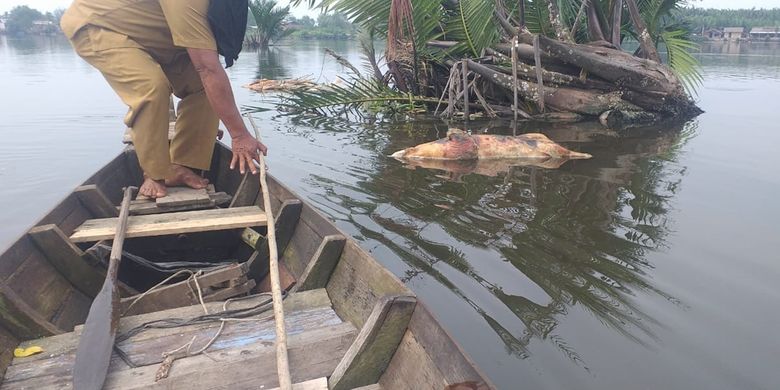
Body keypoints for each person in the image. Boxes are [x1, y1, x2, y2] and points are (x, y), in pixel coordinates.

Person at [60, 0, 266, 198]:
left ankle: (180, 165)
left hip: (156, 37)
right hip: (99, 24)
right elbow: (208, 68)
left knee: (205, 87)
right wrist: (239, 135)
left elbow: (209, 73)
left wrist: (201, 124)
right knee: (152, 88)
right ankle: (154, 174)